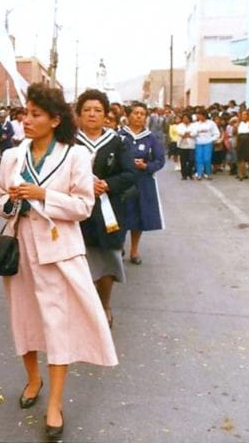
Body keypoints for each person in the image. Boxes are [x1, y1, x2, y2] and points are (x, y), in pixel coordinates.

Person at [0, 83, 116, 441]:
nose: (27, 120)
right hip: (20, 250)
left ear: (54, 119)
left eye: (35, 114)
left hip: (59, 251)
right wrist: (13, 201)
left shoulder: (76, 156)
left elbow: (83, 206)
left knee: (57, 324)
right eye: (25, 113)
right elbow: (1, 199)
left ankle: (55, 403)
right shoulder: (11, 156)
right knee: (25, 318)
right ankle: (33, 379)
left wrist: (43, 194)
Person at [75, 89, 134, 328]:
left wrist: (107, 184)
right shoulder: (69, 143)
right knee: (79, 260)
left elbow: (130, 174)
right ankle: (83, 308)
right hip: (77, 211)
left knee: (108, 257)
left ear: (105, 114)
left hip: (109, 211)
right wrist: (84, 184)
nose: (92, 114)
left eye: (97, 110)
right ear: (79, 114)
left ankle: (105, 304)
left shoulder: (118, 142)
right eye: (87, 110)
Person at [120, 102, 165, 265]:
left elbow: (160, 160)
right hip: (123, 182)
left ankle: (134, 251)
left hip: (143, 182)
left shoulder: (150, 138)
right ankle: (119, 246)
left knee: (138, 216)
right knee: (122, 214)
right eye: (135, 113)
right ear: (128, 115)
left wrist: (146, 166)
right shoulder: (120, 135)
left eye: (142, 114)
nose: (139, 116)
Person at [191, 109, 219, 180]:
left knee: (207, 159)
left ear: (204, 115)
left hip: (207, 143)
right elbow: (192, 134)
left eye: (200, 115)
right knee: (199, 159)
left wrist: (211, 139)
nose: (198, 116)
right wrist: (197, 132)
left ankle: (208, 173)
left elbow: (216, 133)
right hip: (198, 143)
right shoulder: (196, 124)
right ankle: (199, 173)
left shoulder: (211, 123)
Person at [235, 110, 249, 181]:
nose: (244, 116)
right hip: (240, 142)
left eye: (245, 115)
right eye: (242, 115)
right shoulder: (239, 124)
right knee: (241, 159)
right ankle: (241, 175)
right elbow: (236, 134)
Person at [176, 113, 196, 180]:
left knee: (191, 160)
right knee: (183, 161)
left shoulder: (193, 125)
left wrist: (187, 134)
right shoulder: (179, 125)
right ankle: (184, 175)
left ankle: (190, 173)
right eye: (184, 118)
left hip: (191, 145)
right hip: (182, 145)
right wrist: (187, 133)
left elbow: (194, 133)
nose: (185, 119)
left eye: (187, 118)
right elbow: (180, 133)